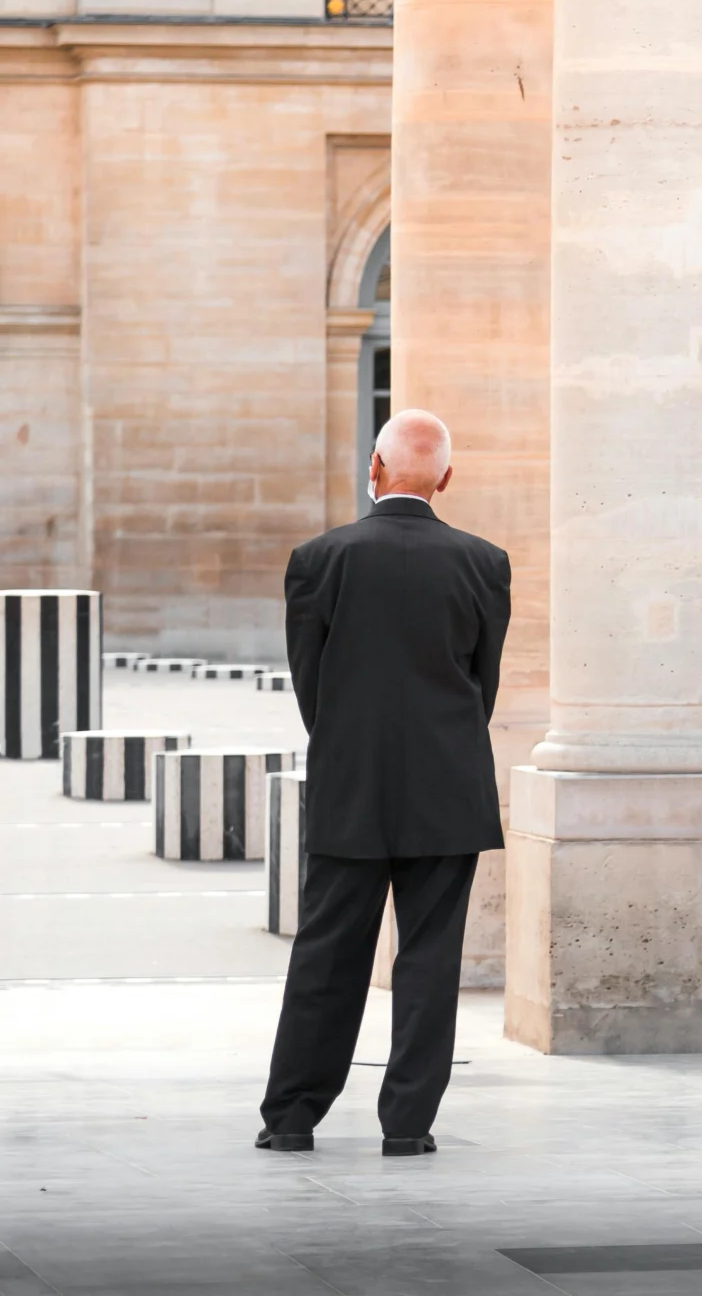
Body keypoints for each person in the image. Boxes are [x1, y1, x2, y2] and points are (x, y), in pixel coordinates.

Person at [257, 409, 510, 1156]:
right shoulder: (484, 562)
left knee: (328, 951)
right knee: (430, 959)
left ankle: (293, 1115)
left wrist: (347, 746)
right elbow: (481, 683)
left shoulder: (318, 558)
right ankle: (407, 1124)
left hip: (351, 784)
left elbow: (313, 687)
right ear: (447, 479)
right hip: (449, 786)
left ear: (375, 467)